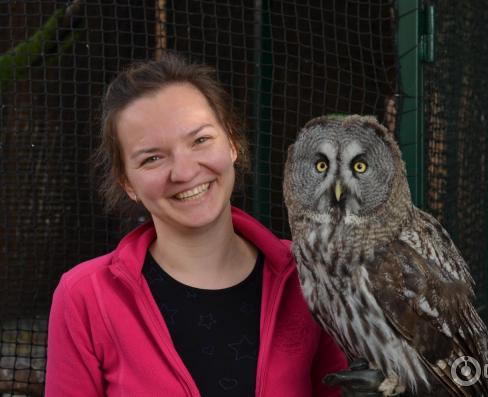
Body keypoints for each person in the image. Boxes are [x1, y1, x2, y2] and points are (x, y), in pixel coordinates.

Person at [44, 53, 383, 397]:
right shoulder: (84, 296)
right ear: (127, 183)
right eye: (152, 158)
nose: (185, 171)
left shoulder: (311, 275)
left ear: (232, 142)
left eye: (200, 140)